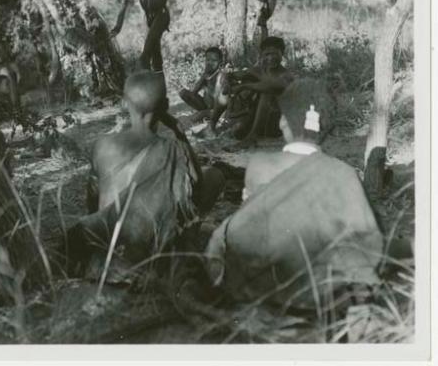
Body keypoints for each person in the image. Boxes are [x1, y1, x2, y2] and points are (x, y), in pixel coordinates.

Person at [205, 79, 383, 311]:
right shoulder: (344, 174)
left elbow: (248, 227)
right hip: (321, 295)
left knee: (214, 234)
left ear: (282, 123)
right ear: (328, 129)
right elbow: (366, 243)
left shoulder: (259, 165)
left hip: (259, 288)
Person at [67, 70, 225, 278]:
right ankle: (188, 244)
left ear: (124, 104)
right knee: (215, 175)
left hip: (108, 238)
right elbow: (195, 189)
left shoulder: (102, 145)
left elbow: (93, 200)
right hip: (151, 247)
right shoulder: (174, 148)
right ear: (166, 106)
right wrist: (179, 132)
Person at [227, 35, 293, 141]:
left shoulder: (286, 75)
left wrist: (244, 86)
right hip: (255, 119)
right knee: (238, 131)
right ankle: (213, 123)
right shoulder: (259, 70)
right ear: (262, 55)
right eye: (267, 54)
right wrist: (227, 78)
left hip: (276, 124)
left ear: (282, 53)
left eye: (275, 54)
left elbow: (270, 85)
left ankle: (252, 137)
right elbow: (238, 74)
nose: (270, 58)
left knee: (266, 92)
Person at [179, 47, 229, 130]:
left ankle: (207, 115)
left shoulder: (221, 75)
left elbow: (221, 100)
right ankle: (204, 113)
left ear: (220, 61)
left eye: (214, 60)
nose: (210, 63)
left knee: (196, 117)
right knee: (183, 93)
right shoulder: (207, 75)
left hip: (217, 110)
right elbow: (194, 92)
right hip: (206, 106)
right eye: (208, 60)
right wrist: (204, 76)